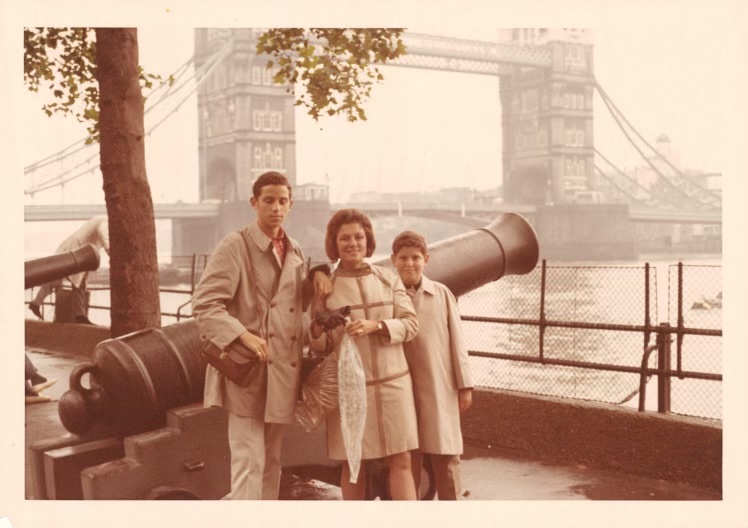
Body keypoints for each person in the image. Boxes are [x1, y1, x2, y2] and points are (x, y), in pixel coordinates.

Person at [191, 171, 330, 500]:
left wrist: (320, 273)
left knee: (271, 463)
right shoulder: (235, 245)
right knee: (248, 462)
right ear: (254, 203)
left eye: (283, 201)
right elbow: (205, 305)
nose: (276, 208)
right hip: (248, 372)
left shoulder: (293, 248)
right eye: (268, 200)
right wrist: (241, 336)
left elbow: (294, 304)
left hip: (282, 371)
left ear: (291, 205)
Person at [309, 208, 420, 500]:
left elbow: (411, 325)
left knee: (402, 459)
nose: (353, 243)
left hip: (395, 385)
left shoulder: (388, 278)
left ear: (368, 240)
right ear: (335, 243)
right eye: (344, 238)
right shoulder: (326, 287)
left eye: (359, 236)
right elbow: (319, 346)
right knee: (353, 464)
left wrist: (378, 325)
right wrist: (319, 326)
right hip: (351, 391)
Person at [391, 230, 474, 500]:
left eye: (415, 258)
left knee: (446, 455)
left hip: (439, 385)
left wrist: (465, 384)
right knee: (407, 458)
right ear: (393, 260)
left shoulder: (441, 294)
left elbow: (457, 342)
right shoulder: (388, 296)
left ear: (426, 259)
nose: (409, 264)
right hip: (401, 386)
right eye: (403, 258)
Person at [28, 215, 110, 322]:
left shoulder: (100, 219)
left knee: (55, 275)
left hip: (76, 248)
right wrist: (109, 250)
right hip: (77, 249)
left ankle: (36, 303)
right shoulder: (104, 221)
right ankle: (80, 315)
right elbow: (102, 233)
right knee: (76, 282)